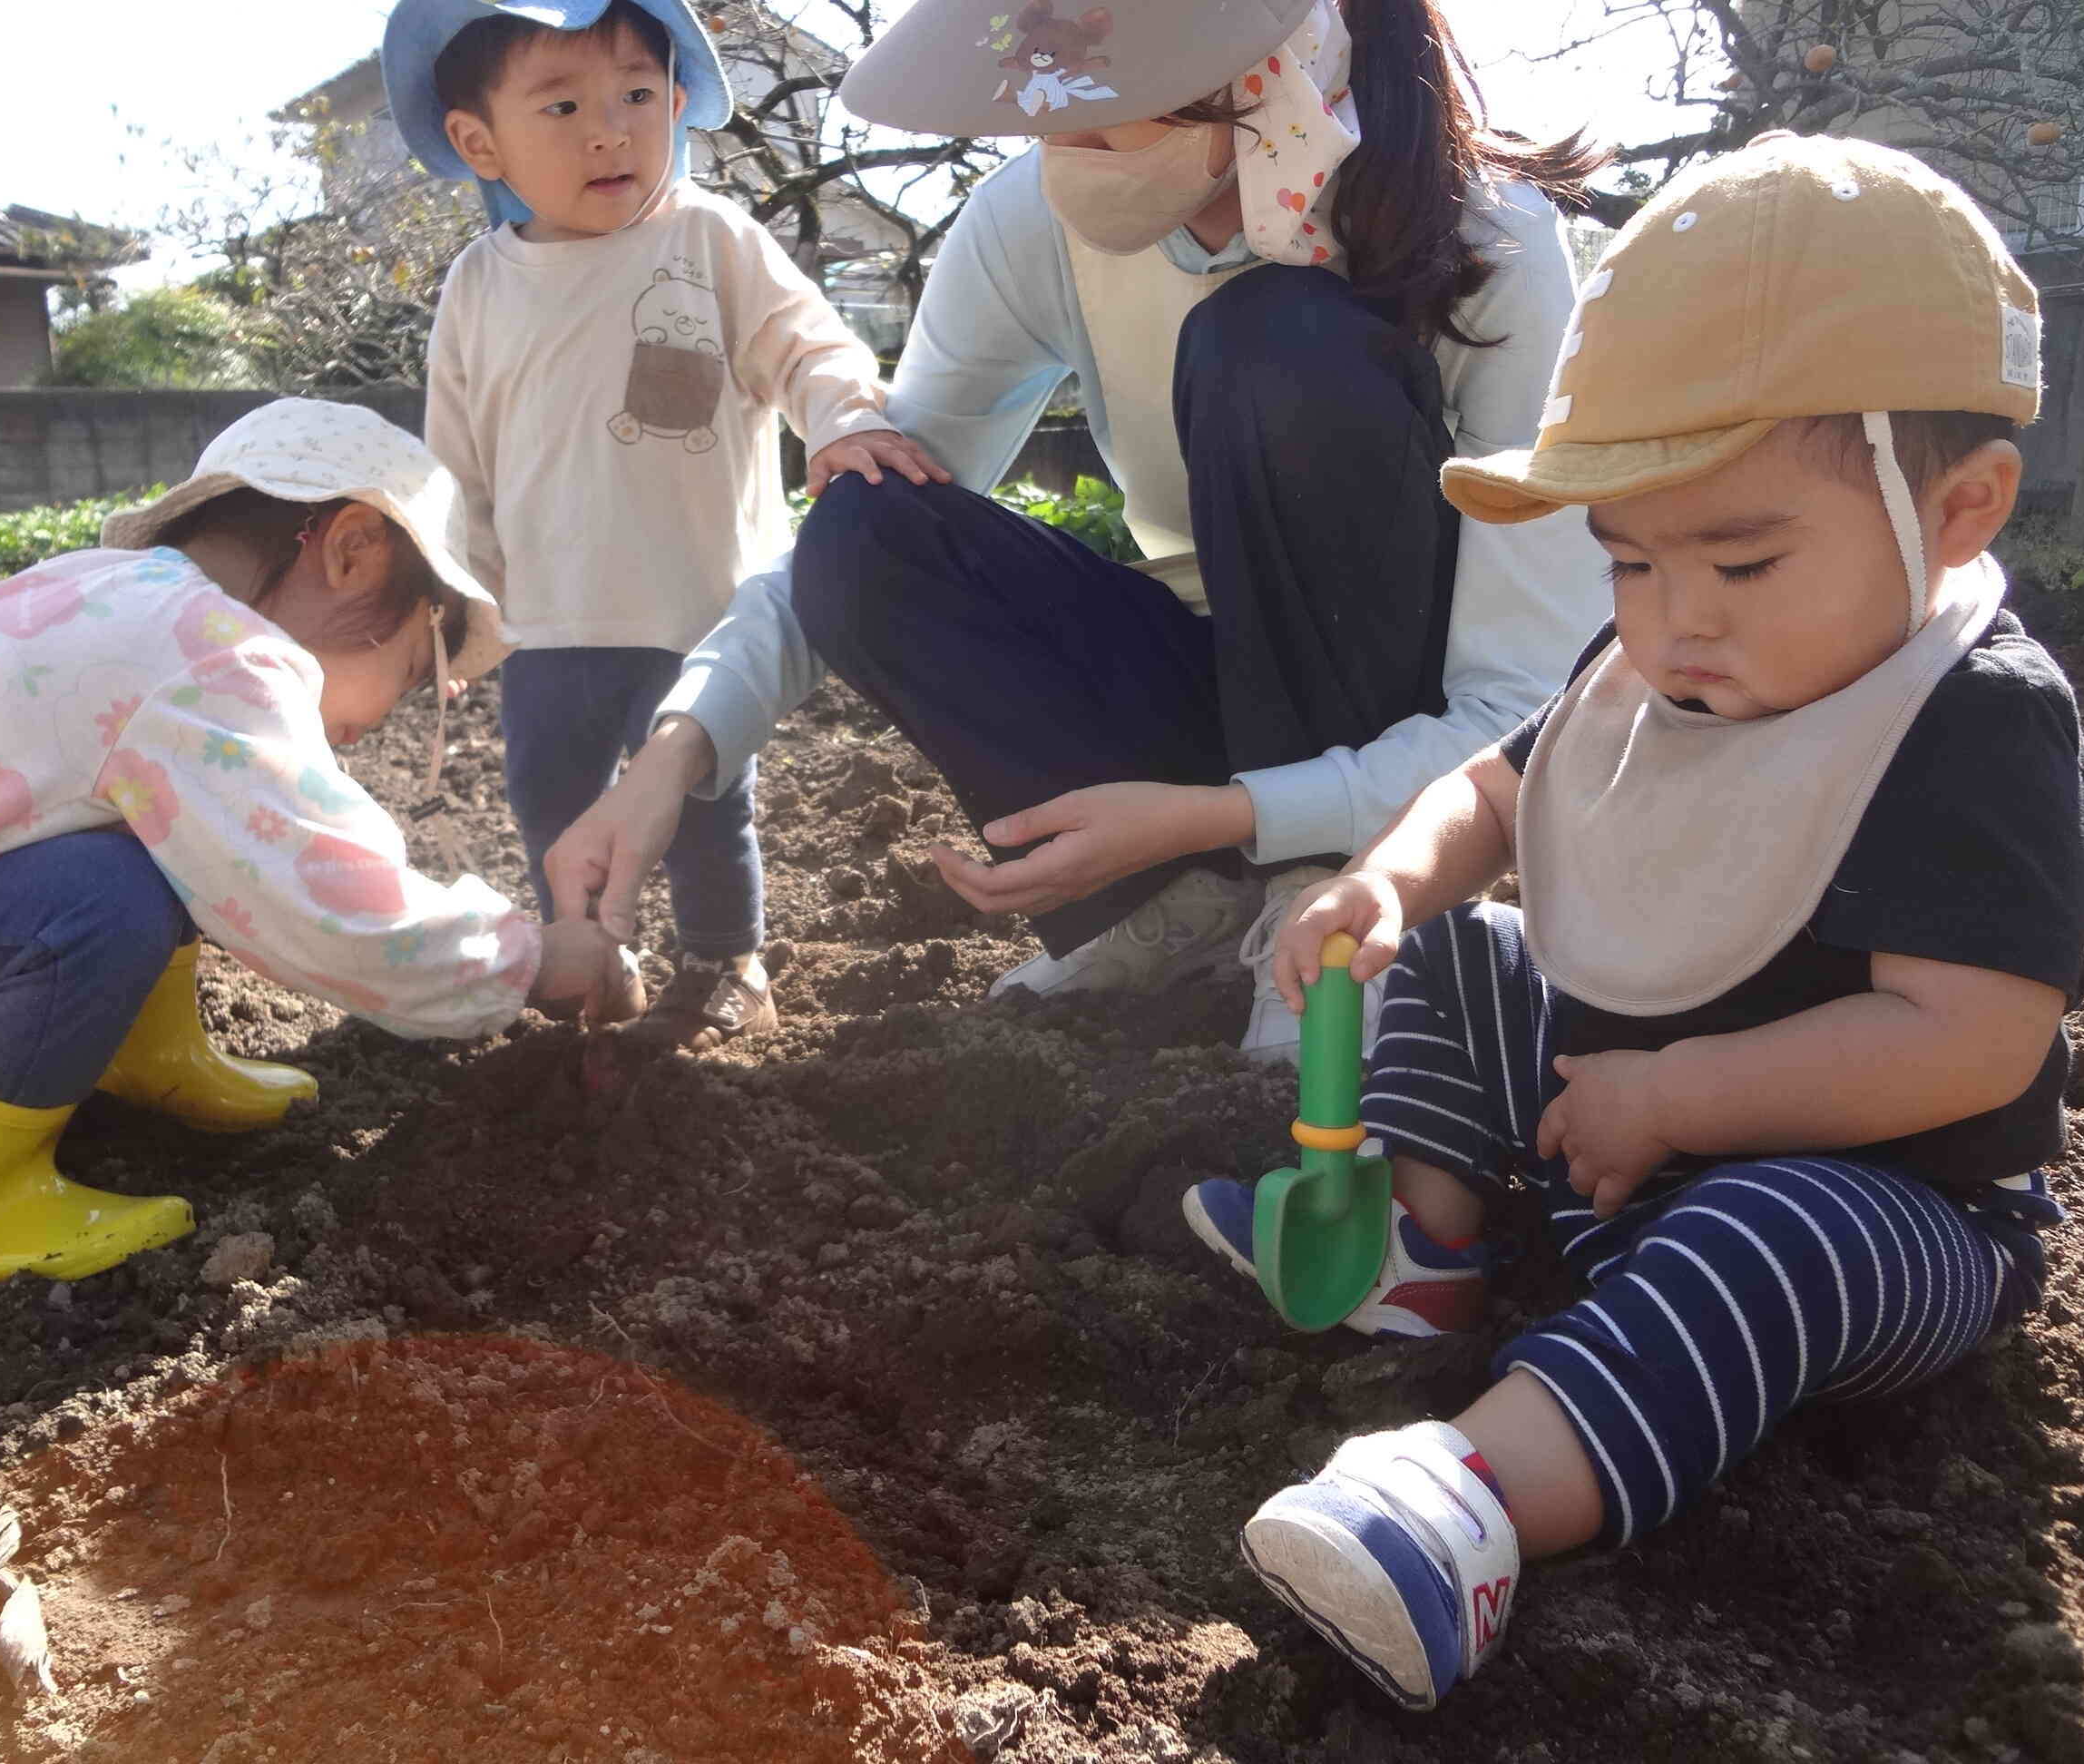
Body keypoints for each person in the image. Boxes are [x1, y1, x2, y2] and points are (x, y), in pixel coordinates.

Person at [1182, 134, 2084, 1710]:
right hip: (1617, 1126)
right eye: (1625, 555)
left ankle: (1478, 1495)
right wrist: (1390, 880)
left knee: (1770, 1233)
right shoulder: (1660, 664)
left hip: (1888, 1203)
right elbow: (1494, 788)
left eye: (1740, 556)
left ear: (1957, 509)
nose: (1673, 617)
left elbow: (1969, 1040)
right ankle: (1430, 1246)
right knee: (1472, 953)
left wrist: (1680, 1099)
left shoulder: (1969, 718)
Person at [543, 0, 1609, 1061]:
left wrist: (1248, 819)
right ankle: (1173, 901)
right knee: (868, 526)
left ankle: (1325, 896)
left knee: (1274, 339)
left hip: (1399, 737)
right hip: (1202, 693)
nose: (1064, 156)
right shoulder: (1027, 223)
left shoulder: (1491, 244)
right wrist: (673, 756)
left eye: (1103, 116)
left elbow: (1526, 706)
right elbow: (872, 511)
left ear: (1255, 81)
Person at [0, 399, 621, 1302]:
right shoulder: (210, 657)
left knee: (148, 839)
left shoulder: (111, 599)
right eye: (408, 674)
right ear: (351, 550)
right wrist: (527, 959)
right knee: (103, 888)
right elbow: (332, 907)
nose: (373, 728)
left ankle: (139, 1058)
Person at [383, 0, 944, 1052]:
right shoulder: (477, 285)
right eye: (563, 105)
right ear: (478, 141)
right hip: (545, 622)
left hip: (701, 610)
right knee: (547, 799)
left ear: (679, 103)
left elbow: (806, 344)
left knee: (703, 805)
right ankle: (594, 957)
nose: (611, 131)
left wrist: (842, 422)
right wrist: (451, 601)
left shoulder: (709, 239)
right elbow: (454, 468)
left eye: (638, 95)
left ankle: (728, 960)